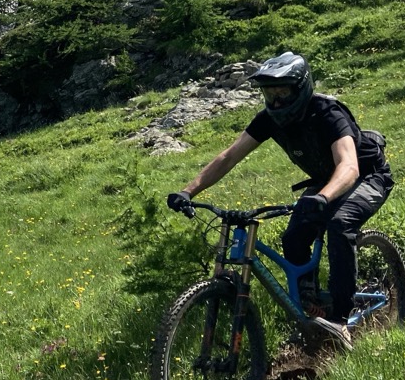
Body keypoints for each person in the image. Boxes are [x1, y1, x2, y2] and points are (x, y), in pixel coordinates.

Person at [167, 52, 393, 350]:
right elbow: (229, 157)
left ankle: (341, 318)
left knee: (340, 224)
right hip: (326, 181)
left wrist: (323, 196)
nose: (275, 101)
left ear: (300, 88)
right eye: (269, 94)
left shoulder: (327, 113)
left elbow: (349, 166)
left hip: (368, 176)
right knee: (294, 238)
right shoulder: (268, 120)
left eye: (282, 92)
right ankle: (313, 311)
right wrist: (189, 191)